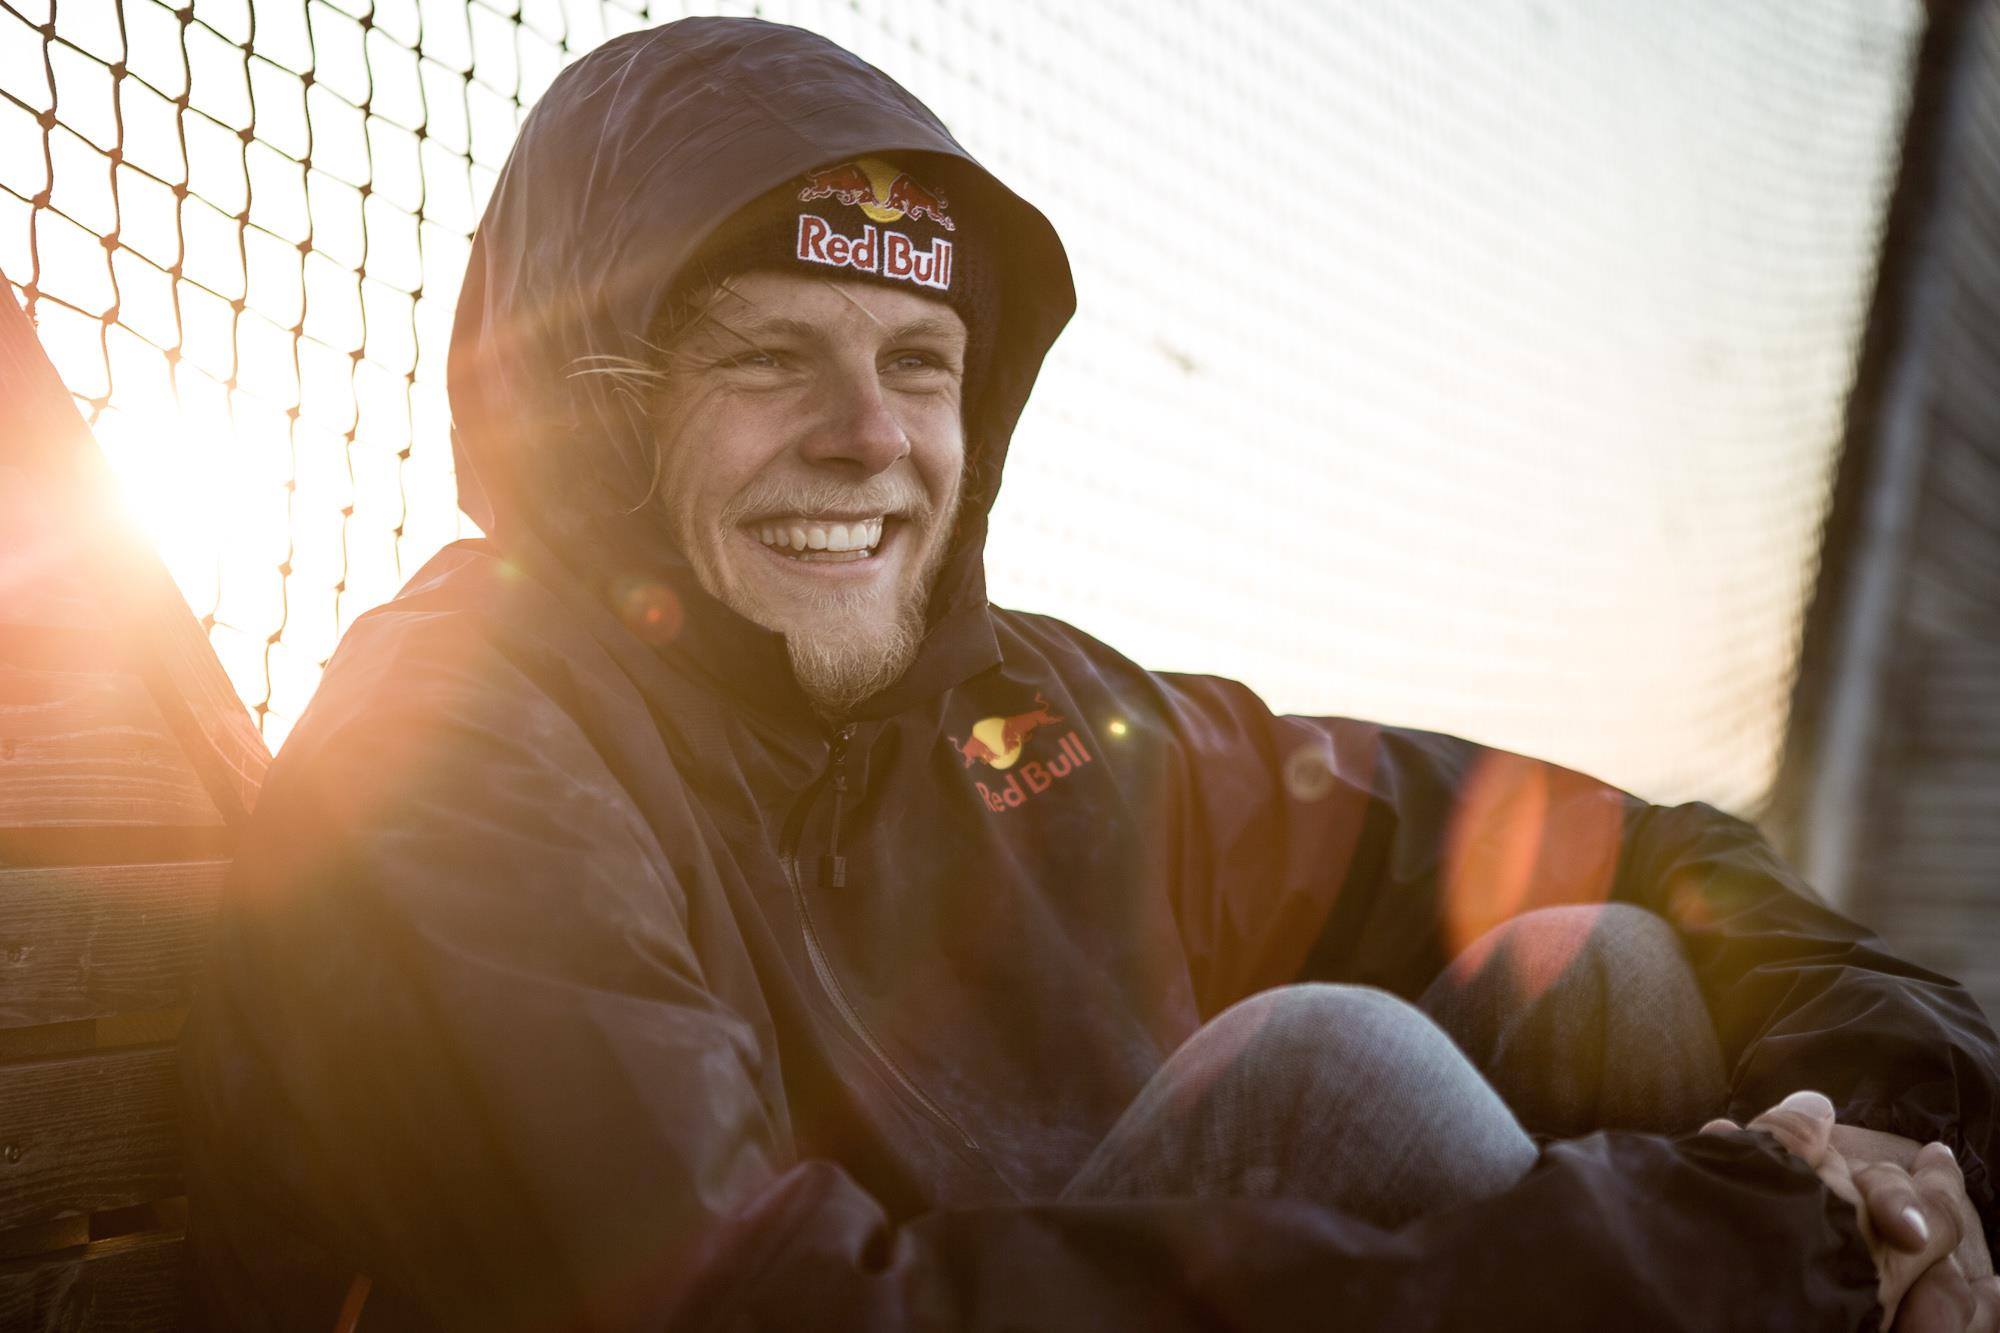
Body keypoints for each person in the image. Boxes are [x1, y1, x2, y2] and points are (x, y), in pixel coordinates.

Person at [179, 16, 2000, 1331]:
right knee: (1339, 1075)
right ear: (597, 416)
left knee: (1604, 965)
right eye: (767, 358)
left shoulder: (1025, 717)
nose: (869, 435)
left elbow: (1629, 838)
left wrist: (1888, 1144)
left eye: (919, 362)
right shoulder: (458, 748)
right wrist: (1708, 1256)